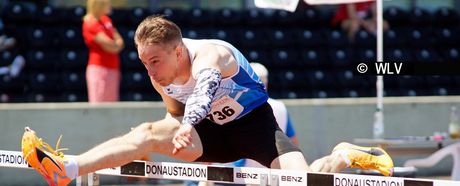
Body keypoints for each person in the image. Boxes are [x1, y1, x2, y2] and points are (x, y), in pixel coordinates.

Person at [22, 16, 394, 186]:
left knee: (305, 181)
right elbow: (177, 115)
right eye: (143, 62)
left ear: (179, 51)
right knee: (148, 131)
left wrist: (185, 124)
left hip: (255, 127)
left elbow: (204, 90)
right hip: (208, 134)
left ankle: (343, 153)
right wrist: (172, 131)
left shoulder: (212, 54)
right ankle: (68, 168)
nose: (149, 71)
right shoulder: (161, 77)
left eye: (155, 61)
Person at [82, 0, 124, 103]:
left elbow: (119, 41)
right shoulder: (90, 22)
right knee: (99, 102)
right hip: (99, 68)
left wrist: (116, 45)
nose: (110, 5)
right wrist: (115, 46)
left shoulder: (106, 20)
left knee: (113, 103)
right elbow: (108, 43)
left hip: (113, 67)